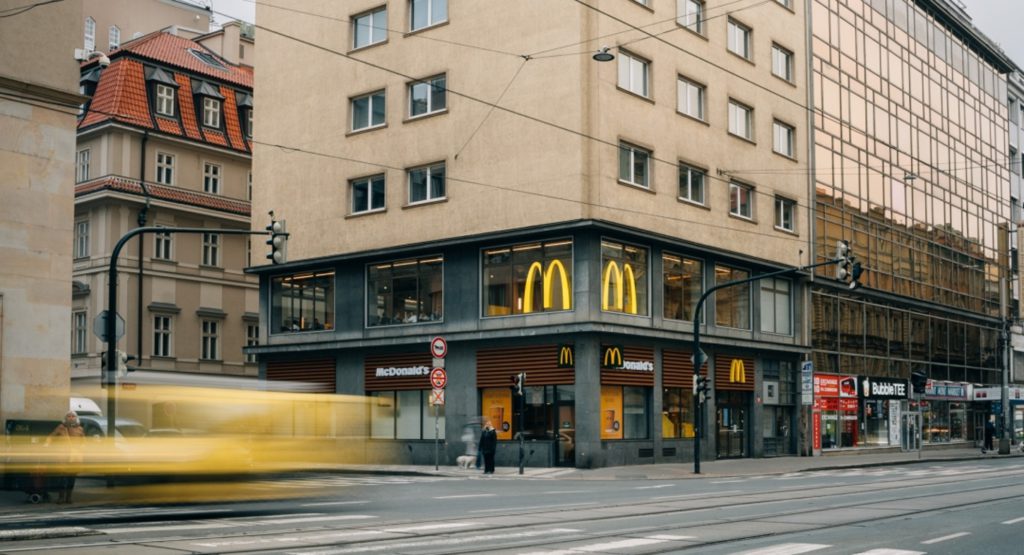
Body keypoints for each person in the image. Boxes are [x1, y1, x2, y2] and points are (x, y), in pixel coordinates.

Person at [46, 411, 85, 504]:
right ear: (66, 418)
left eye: (72, 416)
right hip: (63, 456)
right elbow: (50, 437)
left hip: (75, 457)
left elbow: (84, 442)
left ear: (76, 418)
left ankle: (69, 498)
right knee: (62, 478)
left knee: (72, 478)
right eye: (69, 416)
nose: (71, 418)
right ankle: (61, 497)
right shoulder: (61, 428)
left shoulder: (80, 429)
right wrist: (47, 446)